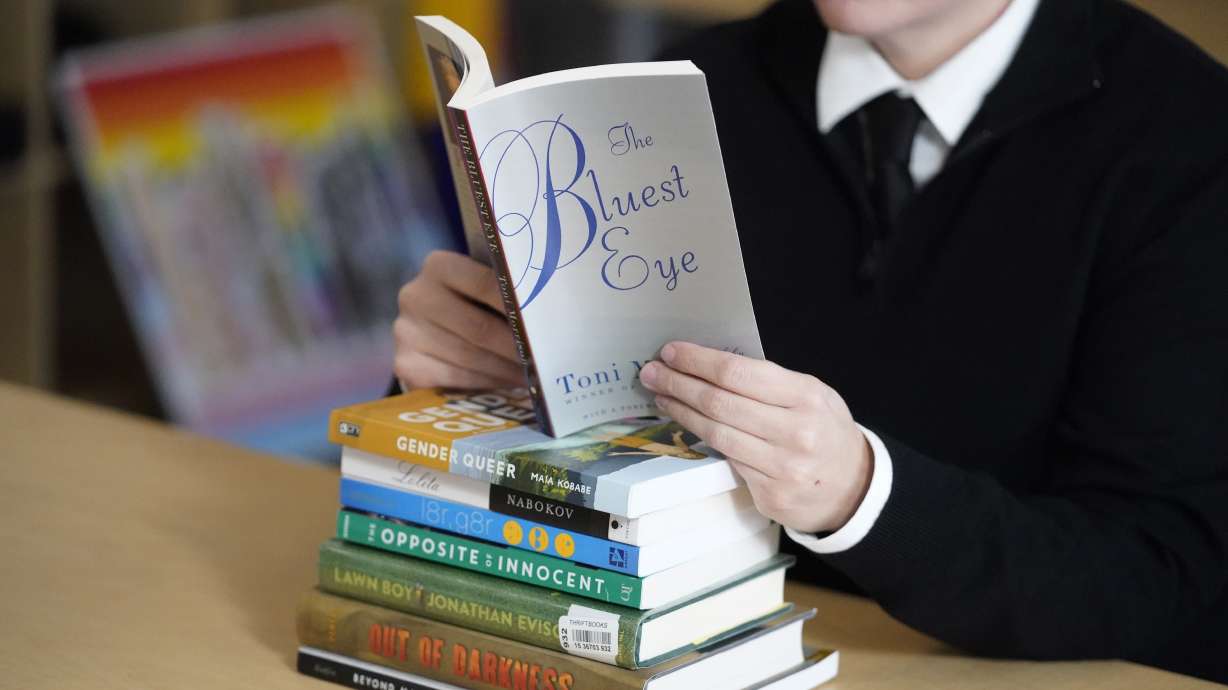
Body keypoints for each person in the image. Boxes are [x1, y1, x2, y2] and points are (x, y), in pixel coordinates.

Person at [393, 0, 1228, 681]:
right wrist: (460, 380)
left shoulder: (1189, 140)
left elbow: (1161, 571)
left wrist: (864, 498)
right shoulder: (684, 91)